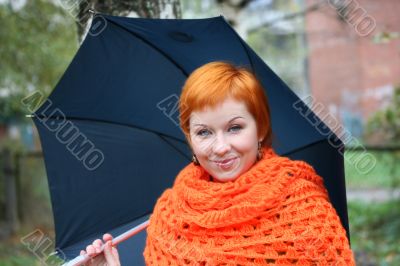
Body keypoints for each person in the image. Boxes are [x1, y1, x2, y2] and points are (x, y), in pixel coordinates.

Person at [80, 61, 355, 265]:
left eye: (235, 128)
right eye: (204, 132)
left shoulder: (304, 208)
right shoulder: (170, 215)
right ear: (190, 138)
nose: (221, 148)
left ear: (260, 128)